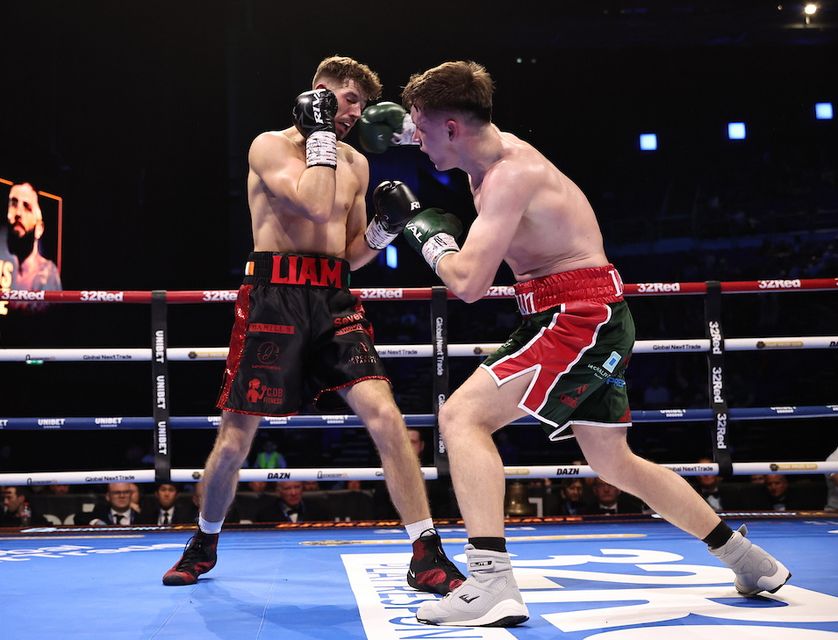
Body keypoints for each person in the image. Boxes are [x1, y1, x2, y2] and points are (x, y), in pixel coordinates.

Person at [393, 60, 790, 627]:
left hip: (576, 315)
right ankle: (747, 560)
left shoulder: (508, 174)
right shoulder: (479, 146)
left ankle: (490, 583)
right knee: (614, 462)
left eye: (423, 131)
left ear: (453, 127)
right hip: (580, 311)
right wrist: (356, 124)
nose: (417, 142)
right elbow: (424, 132)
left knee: (461, 418)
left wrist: (424, 233)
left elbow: (469, 285)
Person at [161, 56, 463, 595]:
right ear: (319, 92)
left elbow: (347, 250)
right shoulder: (269, 146)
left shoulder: (356, 162)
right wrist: (320, 135)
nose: (355, 115)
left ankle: (426, 551)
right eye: (347, 101)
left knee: (388, 418)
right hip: (273, 297)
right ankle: (203, 541)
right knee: (235, 440)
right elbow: (315, 204)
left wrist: (383, 230)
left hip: (333, 295)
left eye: (363, 107)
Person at [6, 182, 61, 293]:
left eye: (27, 207)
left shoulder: (47, 276)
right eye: (14, 203)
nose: (18, 213)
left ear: (39, 228)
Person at [76, 482, 141, 526]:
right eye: (117, 493)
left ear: (130, 495)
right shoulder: (101, 511)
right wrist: (96, 522)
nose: (122, 496)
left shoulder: (141, 514)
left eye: (126, 492)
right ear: (108, 496)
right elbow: (79, 518)